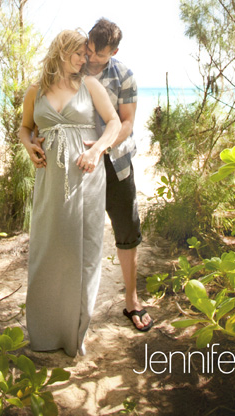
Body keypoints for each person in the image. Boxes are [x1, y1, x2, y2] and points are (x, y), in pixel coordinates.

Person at [19, 29, 120, 357]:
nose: (84, 59)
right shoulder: (36, 90)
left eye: (86, 53)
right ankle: (45, 333)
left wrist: (97, 151)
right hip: (49, 181)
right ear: (61, 51)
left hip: (87, 178)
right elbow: (24, 127)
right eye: (78, 53)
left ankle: (75, 332)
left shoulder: (90, 86)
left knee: (84, 253)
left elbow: (114, 123)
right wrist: (28, 145)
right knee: (48, 250)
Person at [85, 18, 153, 333]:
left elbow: (126, 124)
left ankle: (131, 298)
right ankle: (75, 306)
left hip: (116, 164)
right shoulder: (75, 66)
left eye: (99, 55)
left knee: (127, 230)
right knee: (77, 233)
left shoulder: (125, 76)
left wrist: (100, 147)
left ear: (114, 50)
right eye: (89, 50)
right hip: (77, 164)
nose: (91, 59)